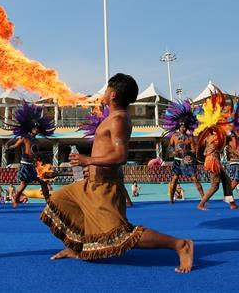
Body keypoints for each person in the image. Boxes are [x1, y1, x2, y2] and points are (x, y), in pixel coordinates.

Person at [40, 73, 193, 273]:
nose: (102, 94)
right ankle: (77, 248)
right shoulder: (110, 118)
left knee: (120, 235)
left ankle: (180, 245)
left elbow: (120, 156)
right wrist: (89, 166)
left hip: (105, 187)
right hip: (89, 184)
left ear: (112, 95)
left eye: (105, 90)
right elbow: (107, 151)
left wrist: (89, 160)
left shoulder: (119, 120)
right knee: (59, 201)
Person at [4, 101, 55, 208]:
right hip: (25, 165)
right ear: (31, 128)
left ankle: (48, 201)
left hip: (34, 166)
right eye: (35, 128)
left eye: (37, 128)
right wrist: (9, 147)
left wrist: (41, 157)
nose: (36, 129)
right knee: (23, 185)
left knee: (43, 182)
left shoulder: (36, 142)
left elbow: (36, 154)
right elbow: (16, 145)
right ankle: (15, 200)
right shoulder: (24, 138)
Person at [195, 89, 239, 210]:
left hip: (213, 159)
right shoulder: (216, 136)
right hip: (212, 161)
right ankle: (201, 204)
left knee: (226, 180)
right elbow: (228, 135)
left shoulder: (211, 136)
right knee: (214, 186)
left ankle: (232, 203)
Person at [160, 100, 204, 204]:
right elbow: (169, 148)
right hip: (177, 161)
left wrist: (189, 156)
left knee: (195, 178)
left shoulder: (190, 138)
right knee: (174, 179)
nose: (183, 128)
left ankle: (203, 197)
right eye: (182, 126)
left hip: (187, 162)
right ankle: (171, 200)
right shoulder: (174, 136)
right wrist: (173, 152)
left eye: (185, 126)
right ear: (179, 126)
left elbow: (194, 150)